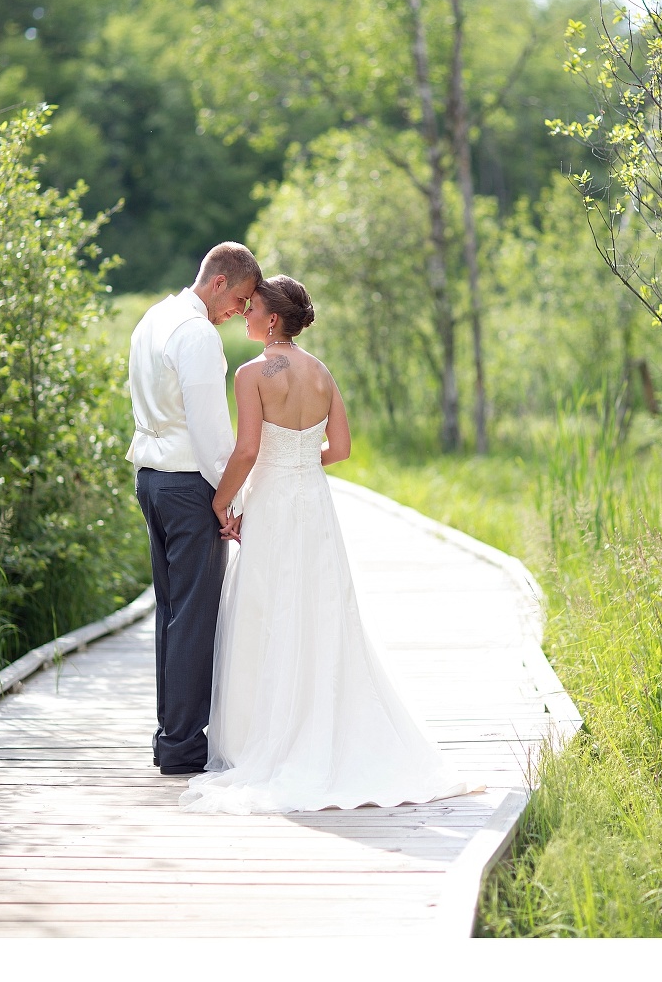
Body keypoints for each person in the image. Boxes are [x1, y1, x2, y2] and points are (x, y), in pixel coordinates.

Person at [179, 274, 476, 813]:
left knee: (267, 608)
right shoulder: (322, 373)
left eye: (253, 308)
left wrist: (223, 503)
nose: (245, 313)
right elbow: (339, 449)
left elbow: (246, 451)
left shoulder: (251, 374)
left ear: (273, 320)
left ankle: (263, 736)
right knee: (318, 609)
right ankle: (324, 725)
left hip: (272, 503)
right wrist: (298, 459)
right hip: (313, 503)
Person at [127, 242, 261, 775]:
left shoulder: (152, 318)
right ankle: (183, 745)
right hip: (187, 485)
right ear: (219, 281)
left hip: (151, 479)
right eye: (241, 299)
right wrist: (230, 501)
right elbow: (211, 434)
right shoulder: (198, 334)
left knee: (172, 613)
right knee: (194, 618)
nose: (241, 312)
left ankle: (171, 738)